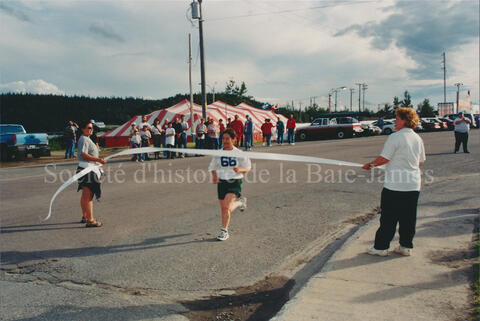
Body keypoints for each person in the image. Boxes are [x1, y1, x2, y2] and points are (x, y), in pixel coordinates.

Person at [362, 107, 426, 257]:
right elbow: (420, 162)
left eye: (397, 118)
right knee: (408, 218)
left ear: (405, 120)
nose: (394, 121)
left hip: (395, 186)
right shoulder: (417, 138)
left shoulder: (395, 137)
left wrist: (370, 165)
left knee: (388, 218)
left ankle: (381, 247)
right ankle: (405, 246)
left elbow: (384, 158)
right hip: (413, 185)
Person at [209, 128, 251, 241]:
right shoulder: (218, 153)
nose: (225, 141)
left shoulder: (239, 153)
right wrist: (214, 175)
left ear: (234, 140)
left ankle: (224, 231)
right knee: (223, 208)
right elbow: (212, 166)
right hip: (222, 182)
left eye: (228, 139)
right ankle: (240, 202)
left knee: (226, 207)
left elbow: (248, 168)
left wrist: (240, 170)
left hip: (235, 182)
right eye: (223, 138)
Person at [77, 121, 106, 227]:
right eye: (88, 128)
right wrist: (98, 159)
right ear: (83, 129)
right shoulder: (84, 139)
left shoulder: (86, 138)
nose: (91, 129)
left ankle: (85, 216)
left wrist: (97, 163)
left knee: (85, 195)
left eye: (91, 128)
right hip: (87, 170)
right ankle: (90, 220)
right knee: (88, 196)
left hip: (88, 168)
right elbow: (83, 154)